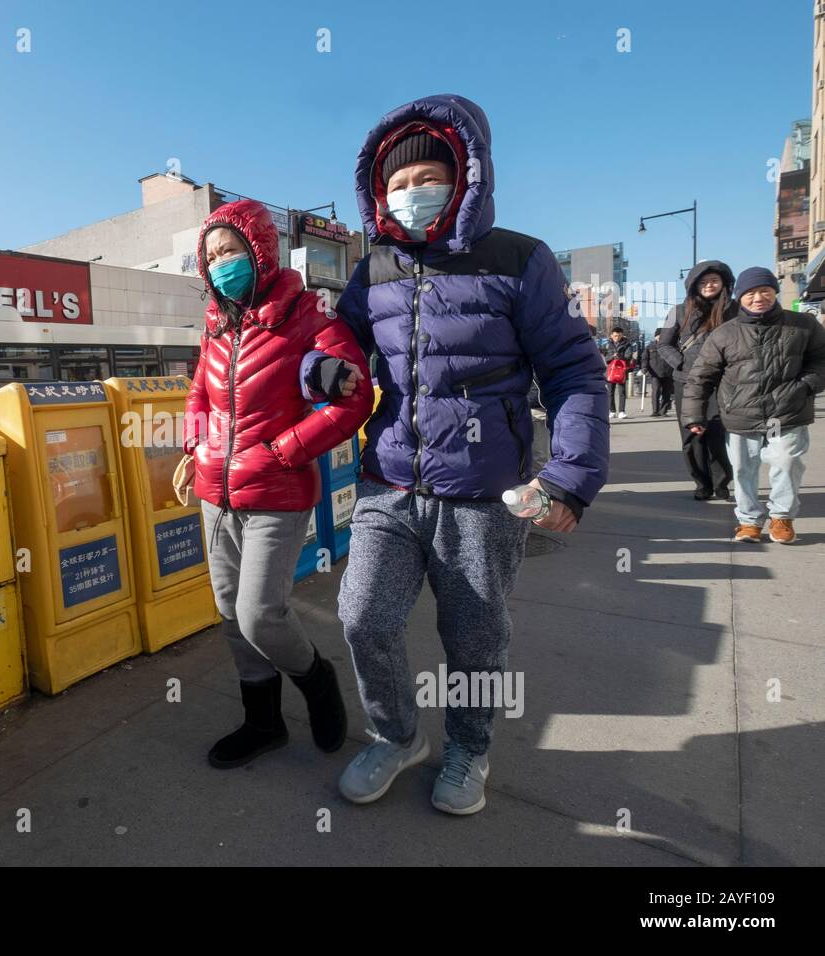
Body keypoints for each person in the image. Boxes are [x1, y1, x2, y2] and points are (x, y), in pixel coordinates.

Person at [319, 94, 609, 815]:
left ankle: (469, 748)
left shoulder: (520, 258)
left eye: (429, 177)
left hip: (485, 493)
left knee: (474, 637)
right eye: (398, 183)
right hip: (389, 481)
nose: (413, 194)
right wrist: (319, 372)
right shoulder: (375, 268)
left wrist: (570, 477)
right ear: (377, 194)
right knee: (362, 617)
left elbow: (573, 369)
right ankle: (394, 734)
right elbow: (338, 346)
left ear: (466, 176)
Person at [179, 198, 373, 769]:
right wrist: (194, 446)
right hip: (215, 494)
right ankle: (263, 723)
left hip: (277, 495)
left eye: (230, 251)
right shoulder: (215, 328)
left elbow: (354, 395)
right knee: (228, 613)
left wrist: (285, 450)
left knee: (260, 612)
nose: (220, 265)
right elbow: (197, 395)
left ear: (258, 250)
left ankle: (316, 680)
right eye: (211, 257)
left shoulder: (311, 317)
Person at [683, 267, 825, 544]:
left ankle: (782, 517)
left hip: (785, 413)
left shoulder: (803, 325)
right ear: (740, 297)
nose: (758, 297)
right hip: (741, 415)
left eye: (764, 291)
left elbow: (821, 361)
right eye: (750, 293)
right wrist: (693, 415)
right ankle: (749, 521)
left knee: (786, 461)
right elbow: (701, 376)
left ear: (774, 292)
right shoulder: (724, 334)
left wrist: (805, 386)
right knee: (743, 470)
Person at [657, 261, 735, 500]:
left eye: (713, 280)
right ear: (693, 286)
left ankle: (721, 482)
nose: (709, 285)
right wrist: (681, 364)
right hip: (687, 382)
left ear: (724, 283)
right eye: (703, 281)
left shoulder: (735, 310)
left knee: (718, 433)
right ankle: (702, 483)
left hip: (721, 383)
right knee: (692, 436)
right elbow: (664, 345)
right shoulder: (677, 311)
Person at [604, 327, 636, 420]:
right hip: (610, 371)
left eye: (619, 335)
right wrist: (612, 357)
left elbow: (628, 356)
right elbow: (605, 359)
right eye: (615, 336)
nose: (617, 337)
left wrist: (619, 356)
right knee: (610, 392)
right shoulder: (608, 344)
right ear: (611, 335)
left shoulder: (627, 344)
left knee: (622, 392)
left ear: (622, 335)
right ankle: (612, 411)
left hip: (621, 370)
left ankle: (622, 411)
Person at [644, 328, 674, 416]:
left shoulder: (670, 345)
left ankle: (663, 411)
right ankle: (655, 411)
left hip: (668, 372)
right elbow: (645, 358)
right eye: (659, 336)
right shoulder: (650, 346)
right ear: (655, 336)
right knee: (656, 391)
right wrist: (644, 368)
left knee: (667, 392)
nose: (660, 337)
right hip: (655, 373)